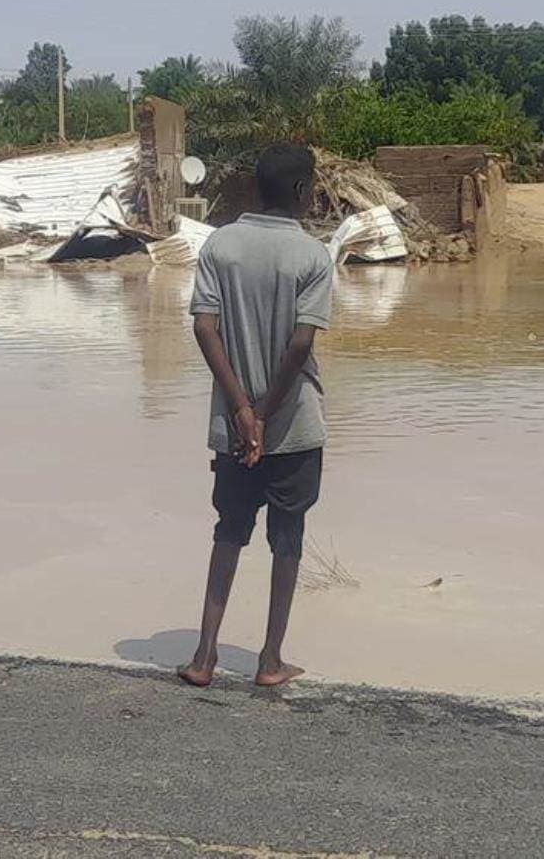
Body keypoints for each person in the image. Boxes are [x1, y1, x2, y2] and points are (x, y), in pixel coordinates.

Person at [178, 143, 332, 688]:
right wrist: (265, 411)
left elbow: (204, 328)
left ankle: (203, 656)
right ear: (298, 191)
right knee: (286, 538)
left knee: (229, 532)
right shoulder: (313, 256)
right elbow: (299, 346)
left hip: (233, 430)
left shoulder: (220, 246)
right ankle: (269, 660)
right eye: (311, 185)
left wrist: (242, 410)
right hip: (293, 426)